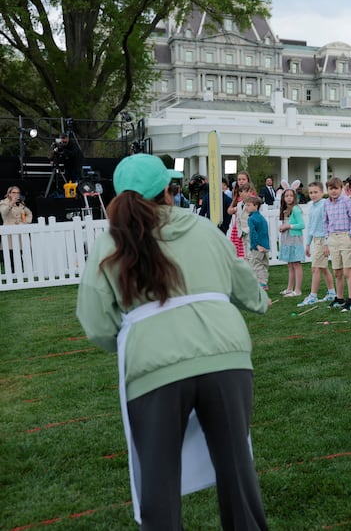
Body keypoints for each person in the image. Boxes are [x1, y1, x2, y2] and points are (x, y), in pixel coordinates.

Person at [76, 153, 269, 529]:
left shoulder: (110, 243)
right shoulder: (203, 228)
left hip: (154, 367)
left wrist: (133, 339)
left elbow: (95, 322)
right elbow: (241, 278)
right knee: (237, 471)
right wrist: (259, 302)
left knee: (159, 482)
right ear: (168, 189)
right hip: (226, 358)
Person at [298, 181, 337, 306]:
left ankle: (313, 296)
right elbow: (310, 227)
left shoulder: (324, 205)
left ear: (322, 193)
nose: (313, 195)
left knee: (315, 268)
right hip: (315, 240)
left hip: (323, 240)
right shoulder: (312, 206)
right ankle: (332, 293)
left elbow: (329, 224)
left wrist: (326, 243)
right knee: (323, 268)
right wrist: (308, 244)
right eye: (310, 192)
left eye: (316, 192)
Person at [323, 177, 351, 311]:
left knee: (347, 271)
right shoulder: (326, 203)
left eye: (336, 188)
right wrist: (327, 238)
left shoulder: (346, 200)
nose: (333, 191)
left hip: (345, 236)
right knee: (337, 271)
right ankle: (339, 298)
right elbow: (325, 221)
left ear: (341, 189)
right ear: (328, 190)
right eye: (331, 189)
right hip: (332, 238)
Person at [278, 188, 305, 297]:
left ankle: (297, 290)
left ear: (294, 198)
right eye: (286, 196)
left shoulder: (296, 209)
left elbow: (302, 225)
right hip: (287, 239)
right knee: (290, 264)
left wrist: (289, 226)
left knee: (296, 264)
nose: (289, 197)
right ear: (283, 198)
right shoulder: (285, 210)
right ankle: (289, 288)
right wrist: (282, 227)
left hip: (295, 239)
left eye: (291, 196)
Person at [244, 195, 270, 292]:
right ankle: (264, 282)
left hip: (257, 247)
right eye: (246, 205)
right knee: (264, 265)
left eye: (248, 205)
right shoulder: (262, 218)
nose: (246, 207)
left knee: (257, 265)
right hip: (265, 245)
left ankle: (261, 283)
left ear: (256, 206)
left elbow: (253, 233)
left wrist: (256, 245)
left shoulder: (251, 219)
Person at [227, 171, 253, 258]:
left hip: (247, 224)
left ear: (248, 180)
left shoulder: (251, 195)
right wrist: (236, 208)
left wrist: (237, 209)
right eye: (239, 179)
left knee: (246, 250)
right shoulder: (237, 194)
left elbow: (249, 208)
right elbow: (229, 210)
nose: (241, 181)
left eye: (243, 179)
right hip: (237, 225)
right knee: (237, 250)